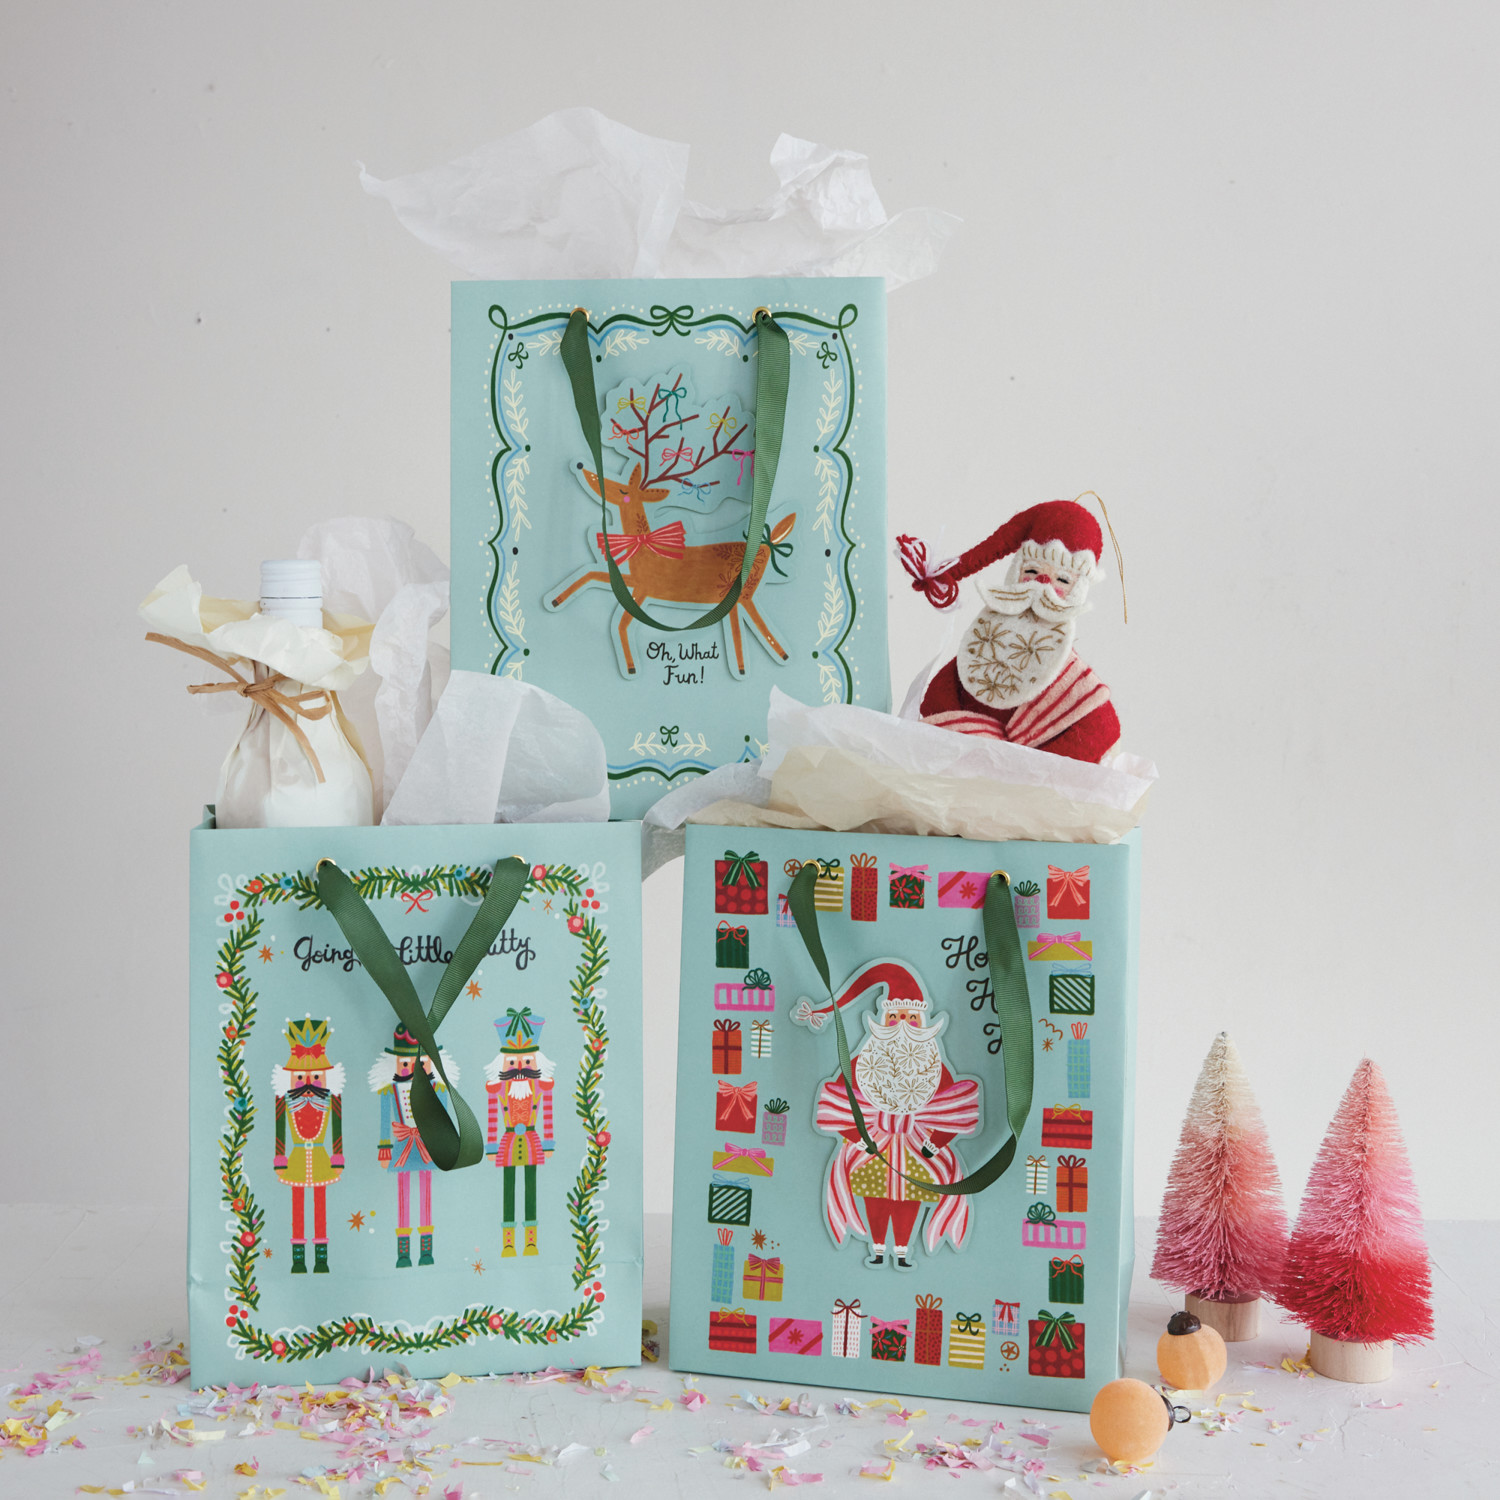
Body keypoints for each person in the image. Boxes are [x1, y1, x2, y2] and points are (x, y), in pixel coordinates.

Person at [898, 500, 1121, 762]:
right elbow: (937, 699)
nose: (1042, 583)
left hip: (1028, 772)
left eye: (1062, 580)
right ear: (1017, 572)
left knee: (1099, 728)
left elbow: (1102, 729)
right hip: (968, 762)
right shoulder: (983, 644)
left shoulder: (1070, 675)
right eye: (1031, 571)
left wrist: (1024, 765)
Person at [798, 962, 981, 1267]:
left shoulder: (936, 1068)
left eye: (910, 1018)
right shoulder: (862, 1064)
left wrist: (934, 1143)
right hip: (873, 1147)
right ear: (882, 1021)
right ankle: (880, 1248)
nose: (902, 1026)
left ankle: (902, 1251)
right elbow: (840, 1103)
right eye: (895, 1018)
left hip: (917, 1148)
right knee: (875, 1198)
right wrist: (858, 1138)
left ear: (923, 1022)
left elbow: (952, 1110)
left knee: (911, 1199)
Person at [271, 1018, 345, 1274]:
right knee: (298, 1207)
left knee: (320, 1206)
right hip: (297, 1158)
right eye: (301, 1077)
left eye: (315, 1077)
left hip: (322, 1157)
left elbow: (337, 1128)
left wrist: (338, 1156)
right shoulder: (285, 1103)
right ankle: (298, 1259)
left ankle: (321, 1258)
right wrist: (279, 1158)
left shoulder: (331, 1101)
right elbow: (280, 1129)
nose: (309, 1083)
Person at [484, 1009, 556, 1257]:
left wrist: (548, 1142)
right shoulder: (498, 1090)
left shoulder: (541, 1088)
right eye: (513, 1063)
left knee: (530, 1191)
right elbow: (492, 1118)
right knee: (509, 1191)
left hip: (533, 1141)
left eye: (526, 1062)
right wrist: (491, 1147)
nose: (519, 1068)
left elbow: (548, 1114)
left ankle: (531, 1242)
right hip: (508, 1142)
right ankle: (508, 1243)